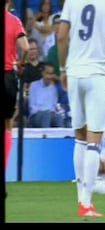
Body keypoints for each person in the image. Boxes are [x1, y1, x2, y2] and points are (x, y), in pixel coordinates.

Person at [57, 0, 105, 217]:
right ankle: (86, 203)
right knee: (94, 139)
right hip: (97, 74)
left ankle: (81, 197)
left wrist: (63, 68)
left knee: (79, 136)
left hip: (74, 72)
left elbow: (61, 36)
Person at [4, 0, 29, 171]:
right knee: (7, 124)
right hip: (7, 76)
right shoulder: (14, 21)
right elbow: (26, 48)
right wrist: (22, 63)